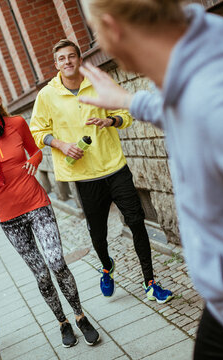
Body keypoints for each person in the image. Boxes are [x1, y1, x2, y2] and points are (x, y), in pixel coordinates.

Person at [77, 0, 223, 358]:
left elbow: (205, 108)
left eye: (94, 31)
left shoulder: (216, 94)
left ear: (114, 29)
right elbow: (182, 108)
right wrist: (129, 101)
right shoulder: (196, 45)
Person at [29, 38, 172, 304]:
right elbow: (37, 131)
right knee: (98, 232)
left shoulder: (99, 83)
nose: (68, 62)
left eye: (72, 56)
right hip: (84, 176)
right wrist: (61, 144)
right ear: (56, 63)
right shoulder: (47, 95)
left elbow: (125, 114)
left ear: (79, 59)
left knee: (137, 222)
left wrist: (110, 120)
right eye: (62, 58)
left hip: (114, 167)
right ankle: (107, 266)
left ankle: (150, 282)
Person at [0, 82, 100, 348]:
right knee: (41, 274)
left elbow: (35, 151)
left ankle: (81, 316)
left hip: (36, 204)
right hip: (8, 217)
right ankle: (62, 322)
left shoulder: (16, 123)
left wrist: (34, 161)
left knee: (57, 262)